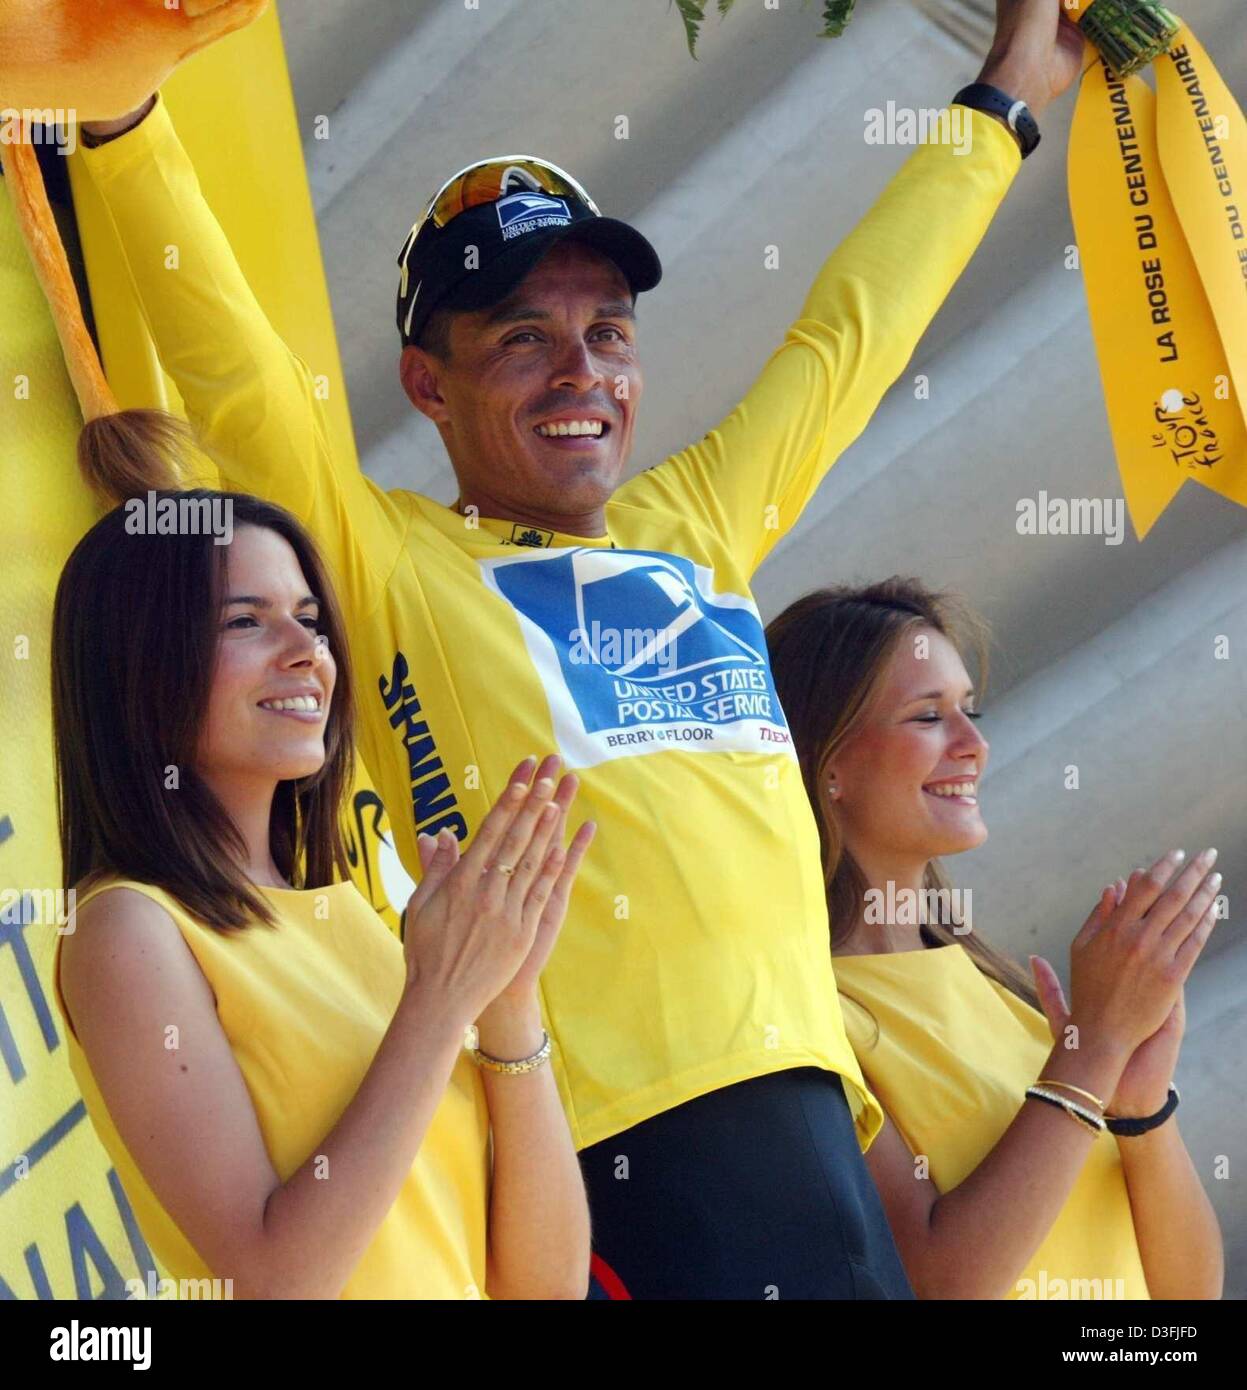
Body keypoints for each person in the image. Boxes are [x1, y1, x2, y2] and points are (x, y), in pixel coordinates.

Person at [74, 1, 1085, 1297]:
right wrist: (117, 120)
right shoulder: (391, 566)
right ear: (427, 385)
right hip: (611, 1165)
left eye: (606, 333)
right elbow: (232, 370)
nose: (579, 374)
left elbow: (851, 337)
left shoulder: (692, 531)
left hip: (824, 1147)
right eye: (520, 339)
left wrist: (1001, 104)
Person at [51, 482, 595, 1299]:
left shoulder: (352, 920)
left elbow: (541, 1286)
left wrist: (508, 1007)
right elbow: (275, 1281)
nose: (307, 650)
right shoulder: (127, 929)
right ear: (135, 660)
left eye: (308, 617)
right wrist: (441, 1002)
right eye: (245, 620)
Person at [765, 578, 1224, 1299]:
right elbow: (938, 1285)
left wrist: (1138, 1109)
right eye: (927, 717)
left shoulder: (1004, 994)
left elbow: (1184, 1303)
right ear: (827, 765)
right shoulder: (799, 1015)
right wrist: (1095, 1050)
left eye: (969, 711)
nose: (974, 745)